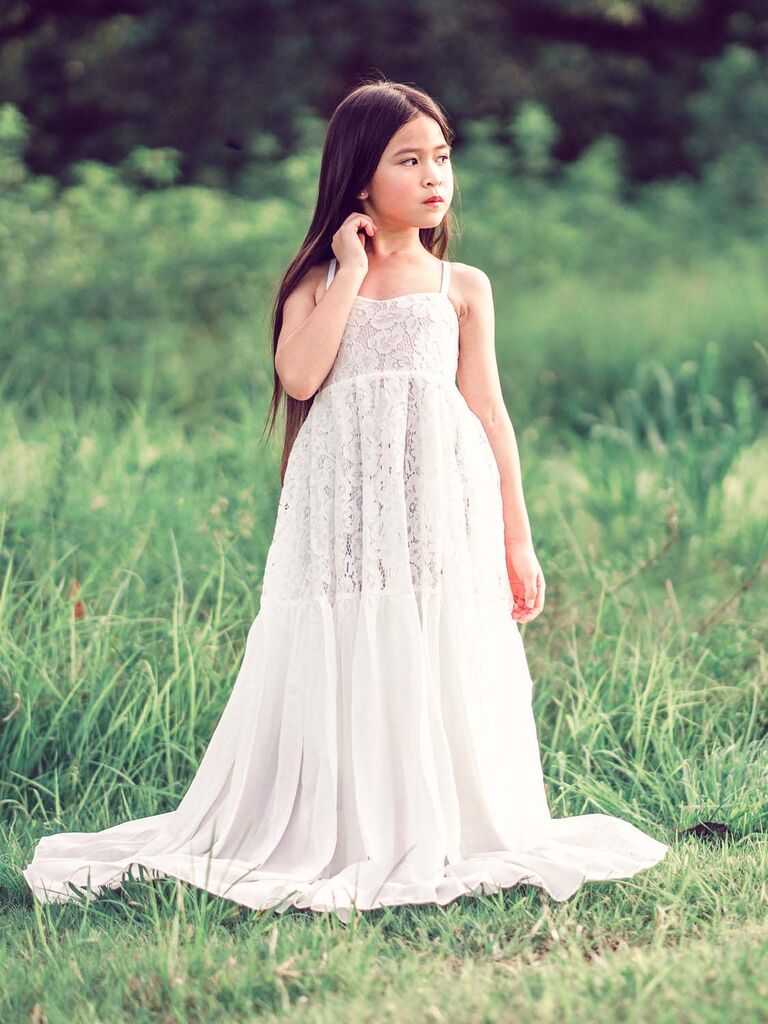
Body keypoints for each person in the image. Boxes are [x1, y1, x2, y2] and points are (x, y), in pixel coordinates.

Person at [22, 79, 668, 924]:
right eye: (409, 160)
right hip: (347, 514)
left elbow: (490, 412)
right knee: (355, 638)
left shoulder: (462, 286)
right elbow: (299, 376)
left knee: (432, 640)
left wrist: (519, 536)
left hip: (444, 508)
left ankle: (445, 820)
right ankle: (351, 823)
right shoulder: (322, 281)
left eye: (442, 158)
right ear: (361, 179)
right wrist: (352, 268)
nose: (435, 176)